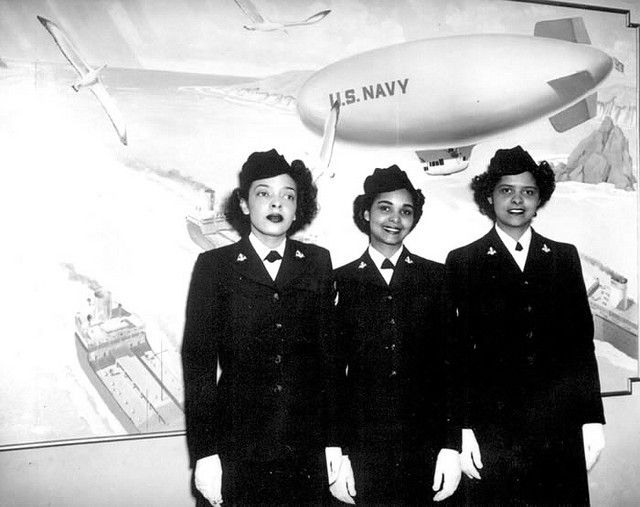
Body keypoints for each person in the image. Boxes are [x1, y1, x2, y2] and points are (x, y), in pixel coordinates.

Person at [444, 146, 606, 505]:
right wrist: (461, 430)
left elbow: (581, 345)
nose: (517, 200)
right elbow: (456, 355)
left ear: (539, 199)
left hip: (559, 426)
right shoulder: (463, 261)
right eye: (506, 190)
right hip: (493, 431)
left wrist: (592, 419)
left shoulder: (563, 257)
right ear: (490, 196)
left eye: (528, 192)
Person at [181, 149, 343, 506]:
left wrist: (335, 442)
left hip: (305, 449)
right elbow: (198, 365)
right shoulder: (214, 266)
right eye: (264, 193)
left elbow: (329, 361)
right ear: (244, 204)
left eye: (288, 196)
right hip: (238, 448)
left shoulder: (318, 262)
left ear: (298, 209)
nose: (277, 203)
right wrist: (205, 453)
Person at [331, 165, 461, 505]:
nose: (395, 219)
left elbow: (451, 367)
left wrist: (452, 446)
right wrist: (338, 451)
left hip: (426, 445)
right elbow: (332, 376)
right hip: (362, 446)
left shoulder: (437, 278)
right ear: (366, 213)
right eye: (385, 208)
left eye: (406, 211)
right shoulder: (339, 281)